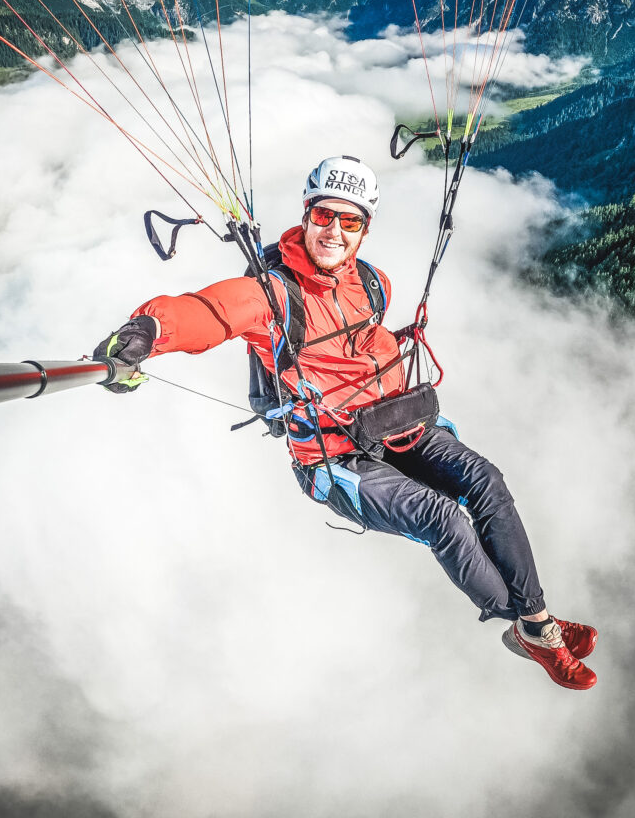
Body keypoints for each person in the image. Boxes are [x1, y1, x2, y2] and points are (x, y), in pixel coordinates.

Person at [95, 156, 597, 690]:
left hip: (397, 424)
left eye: (350, 220)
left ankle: (534, 616)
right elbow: (209, 311)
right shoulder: (271, 294)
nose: (334, 230)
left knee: (487, 482)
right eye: (324, 215)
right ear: (307, 215)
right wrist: (148, 331)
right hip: (335, 459)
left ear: (364, 227)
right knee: (444, 518)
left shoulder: (373, 284)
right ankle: (534, 630)